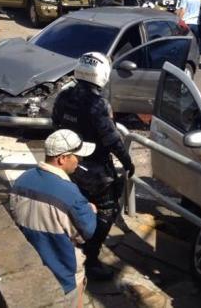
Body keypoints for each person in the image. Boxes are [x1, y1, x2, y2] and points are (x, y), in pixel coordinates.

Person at [52, 52, 135, 281]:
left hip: (66, 162)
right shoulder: (98, 104)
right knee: (107, 209)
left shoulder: (64, 96)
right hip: (94, 168)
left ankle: (69, 249)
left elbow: (54, 123)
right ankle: (90, 257)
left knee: (69, 208)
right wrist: (127, 162)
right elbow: (111, 138)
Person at [10, 129, 97, 308]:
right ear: (62, 159)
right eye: (77, 156)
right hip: (63, 269)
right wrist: (90, 211)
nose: (79, 161)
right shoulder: (71, 195)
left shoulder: (21, 180)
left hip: (31, 261)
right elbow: (86, 233)